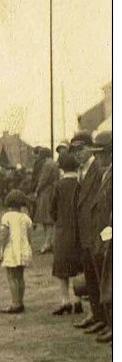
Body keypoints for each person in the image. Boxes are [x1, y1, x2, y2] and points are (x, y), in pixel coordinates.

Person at [71, 131, 107, 336]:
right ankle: (97, 316)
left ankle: (107, 320)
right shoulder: (81, 171)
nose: (76, 154)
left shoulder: (98, 170)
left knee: (102, 278)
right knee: (91, 279)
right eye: (74, 150)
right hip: (85, 233)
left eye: (79, 149)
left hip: (98, 232)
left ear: (89, 149)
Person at [49, 152, 84, 316]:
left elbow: (52, 210)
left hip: (63, 230)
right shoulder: (80, 184)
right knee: (78, 266)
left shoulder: (58, 186)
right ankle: (78, 300)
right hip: (79, 230)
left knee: (62, 267)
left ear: (62, 168)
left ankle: (65, 301)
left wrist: (59, 220)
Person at [90, 129, 112, 343]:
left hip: (111, 234)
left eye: (102, 154)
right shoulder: (106, 173)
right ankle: (109, 323)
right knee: (107, 282)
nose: (99, 158)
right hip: (105, 233)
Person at [0, 189, 33, 314]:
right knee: (20, 276)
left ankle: (15, 303)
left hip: (11, 248)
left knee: (11, 276)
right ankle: (21, 301)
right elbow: (29, 236)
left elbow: (5, 235)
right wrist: (28, 247)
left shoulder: (6, 217)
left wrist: (2, 250)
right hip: (23, 248)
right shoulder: (26, 218)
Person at [33, 146, 60, 253]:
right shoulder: (54, 164)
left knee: (47, 219)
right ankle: (49, 242)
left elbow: (43, 180)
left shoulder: (47, 165)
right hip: (52, 191)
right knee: (49, 219)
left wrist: (37, 190)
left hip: (46, 192)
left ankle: (47, 243)